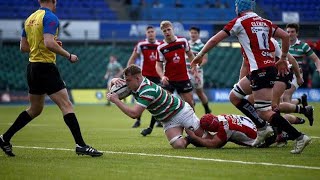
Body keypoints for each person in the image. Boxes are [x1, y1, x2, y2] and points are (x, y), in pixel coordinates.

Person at [190, 0, 311, 154]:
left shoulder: (239, 22)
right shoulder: (265, 22)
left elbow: (215, 39)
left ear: (239, 7)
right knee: (235, 96)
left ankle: (299, 137)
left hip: (261, 71)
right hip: (263, 69)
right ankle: (262, 128)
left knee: (265, 112)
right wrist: (283, 58)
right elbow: (285, 36)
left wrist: (200, 54)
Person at [0, 0, 102, 157]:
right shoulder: (50, 17)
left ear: (39, 1)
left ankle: (4, 138)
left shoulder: (30, 18)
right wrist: (69, 55)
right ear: (54, 1)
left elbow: (23, 47)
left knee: (35, 109)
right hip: (46, 67)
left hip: (32, 68)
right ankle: (81, 145)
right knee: (66, 105)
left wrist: (49, 44)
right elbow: (48, 43)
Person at [107, 65, 209, 149]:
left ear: (137, 78)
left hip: (181, 112)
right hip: (167, 120)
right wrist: (113, 80)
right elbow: (113, 90)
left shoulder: (147, 90)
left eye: (128, 80)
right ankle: (191, 138)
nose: (126, 83)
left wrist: (116, 101)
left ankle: (220, 131)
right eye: (125, 80)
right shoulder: (133, 83)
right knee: (179, 145)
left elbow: (135, 114)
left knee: (206, 139)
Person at [127, 25, 162, 135]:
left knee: (156, 101)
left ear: (155, 33)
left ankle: (155, 123)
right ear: (146, 34)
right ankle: (138, 120)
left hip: (158, 76)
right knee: (140, 99)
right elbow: (133, 58)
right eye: (149, 32)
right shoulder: (141, 44)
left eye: (152, 31)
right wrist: (128, 72)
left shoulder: (160, 45)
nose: (151, 33)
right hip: (144, 77)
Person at [156, 20, 195, 110]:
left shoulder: (182, 41)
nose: (167, 32)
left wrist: (194, 67)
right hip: (169, 79)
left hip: (183, 78)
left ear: (173, 29)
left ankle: (193, 123)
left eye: (168, 29)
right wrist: (162, 76)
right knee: (163, 103)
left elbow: (190, 55)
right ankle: (156, 123)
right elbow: (158, 65)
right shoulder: (161, 47)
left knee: (190, 104)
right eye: (164, 31)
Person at [186, 113, 278, 148]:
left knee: (212, 141)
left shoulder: (225, 128)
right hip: (259, 128)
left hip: (262, 140)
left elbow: (214, 145)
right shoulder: (221, 117)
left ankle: (282, 136)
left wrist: (194, 137)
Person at [282, 23, 320, 104]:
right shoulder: (280, 44)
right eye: (288, 32)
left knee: (286, 95)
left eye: (292, 32)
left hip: (296, 74)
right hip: (283, 73)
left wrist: (319, 68)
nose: (290, 34)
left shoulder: (303, 46)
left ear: (297, 33)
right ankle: (300, 101)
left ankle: (287, 116)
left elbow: (316, 59)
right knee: (280, 99)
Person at [187, 26, 212, 114]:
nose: (193, 34)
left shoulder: (202, 46)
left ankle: (207, 109)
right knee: (187, 92)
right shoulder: (187, 44)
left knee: (199, 93)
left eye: (195, 33)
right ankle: (191, 112)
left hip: (197, 72)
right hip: (186, 72)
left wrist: (196, 67)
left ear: (198, 34)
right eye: (192, 33)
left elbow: (205, 59)